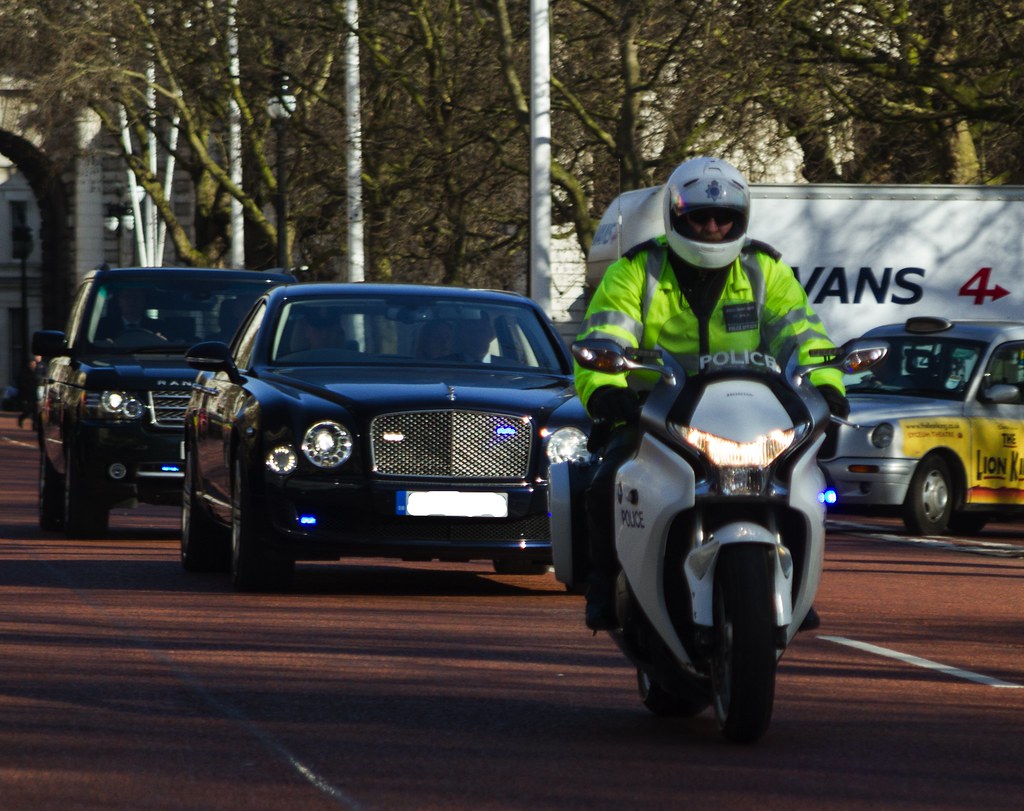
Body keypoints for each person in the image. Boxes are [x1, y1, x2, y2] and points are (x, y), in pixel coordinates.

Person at [575, 156, 849, 632]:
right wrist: (606, 393)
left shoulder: (765, 270)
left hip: (746, 414)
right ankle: (605, 583)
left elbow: (806, 338)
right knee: (607, 484)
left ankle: (794, 585)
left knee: (808, 483)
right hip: (654, 415)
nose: (713, 226)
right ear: (675, 217)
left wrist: (828, 387)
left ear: (741, 220)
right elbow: (604, 339)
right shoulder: (637, 271)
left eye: (724, 217)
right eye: (699, 216)